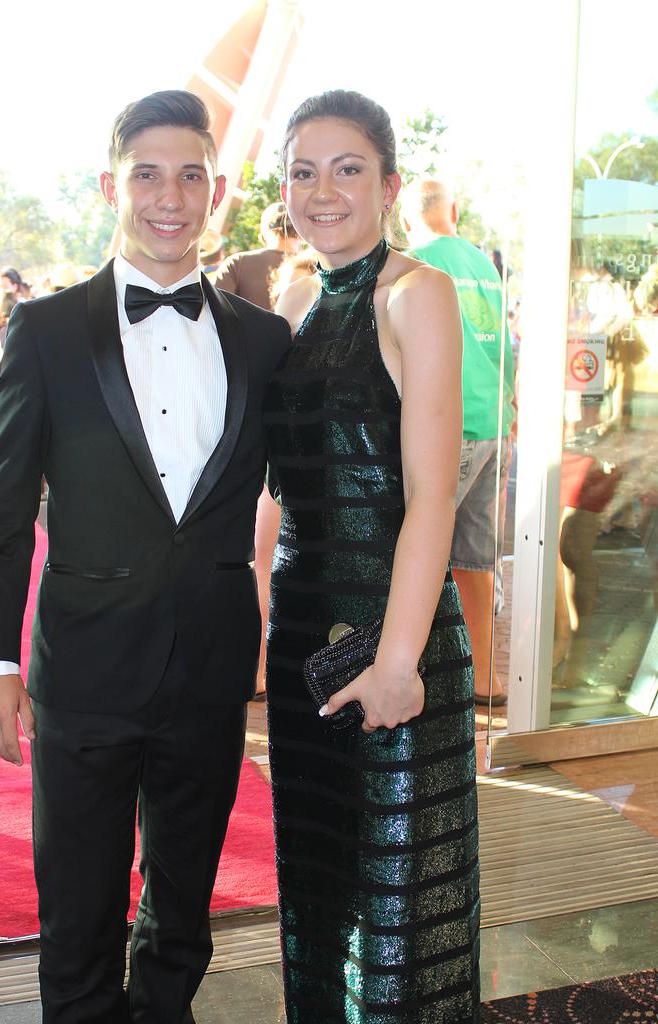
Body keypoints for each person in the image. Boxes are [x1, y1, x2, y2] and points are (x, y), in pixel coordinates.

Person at [0, 89, 290, 1024]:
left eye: (191, 175)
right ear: (112, 185)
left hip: (211, 668)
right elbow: (0, 511)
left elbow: (305, 489)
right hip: (86, 669)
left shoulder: (264, 343)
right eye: (148, 174)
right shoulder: (49, 331)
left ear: (217, 189)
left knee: (183, 911)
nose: (170, 196)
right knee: (78, 910)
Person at [265, 90, 480, 1022]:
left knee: (392, 919)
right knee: (320, 896)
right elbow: (281, 483)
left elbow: (432, 494)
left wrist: (398, 663)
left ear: (390, 183)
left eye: (348, 168)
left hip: (392, 637)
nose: (325, 191)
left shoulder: (417, 294)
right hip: (303, 636)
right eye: (304, 171)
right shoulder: (295, 294)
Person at [401, 179, 515, 707]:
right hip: (492, 421)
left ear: (406, 217)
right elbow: (507, 347)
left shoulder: (413, 265)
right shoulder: (485, 265)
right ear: (454, 210)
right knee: (475, 560)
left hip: (449, 424)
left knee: (414, 553)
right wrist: (510, 404)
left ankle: (419, 679)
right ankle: (486, 676)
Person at [214, 201, 302, 312]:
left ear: (263, 233)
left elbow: (216, 311)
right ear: (301, 233)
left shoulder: (237, 263)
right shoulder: (316, 270)